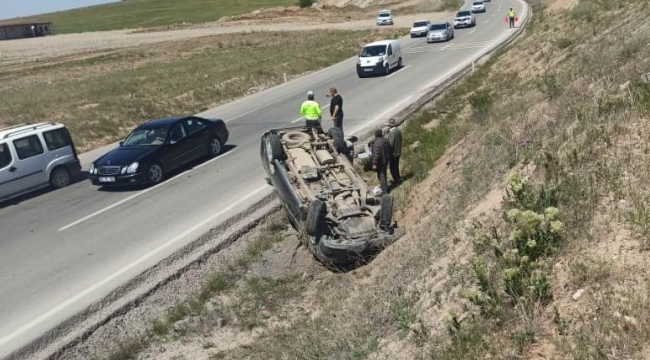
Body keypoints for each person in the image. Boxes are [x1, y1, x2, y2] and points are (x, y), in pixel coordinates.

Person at [372, 128, 390, 194]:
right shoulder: (385, 140)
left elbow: (377, 154)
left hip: (380, 162)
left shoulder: (377, 143)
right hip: (386, 160)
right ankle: (385, 187)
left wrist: (374, 163)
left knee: (381, 176)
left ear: (376, 135)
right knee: (384, 174)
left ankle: (384, 190)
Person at [387, 118, 402, 186]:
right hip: (398, 151)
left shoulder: (392, 132)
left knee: (393, 168)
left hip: (393, 153)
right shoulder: (398, 131)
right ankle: (398, 179)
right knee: (396, 166)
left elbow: (391, 143)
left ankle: (396, 180)